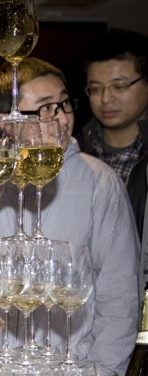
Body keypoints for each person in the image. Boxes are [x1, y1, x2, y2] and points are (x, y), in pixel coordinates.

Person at [0, 57, 139, 376]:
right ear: (5, 121)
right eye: (45, 108)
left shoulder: (99, 182)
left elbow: (119, 292)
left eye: (64, 103)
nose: (61, 118)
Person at [77, 28, 148, 300]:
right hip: (84, 304)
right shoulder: (74, 154)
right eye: (95, 89)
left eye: (120, 86)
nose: (106, 99)